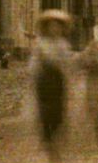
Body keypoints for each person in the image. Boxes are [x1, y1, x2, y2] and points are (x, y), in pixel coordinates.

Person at [30, 10, 75, 147]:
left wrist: (68, 72)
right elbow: (35, 61)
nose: (54, 29)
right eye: (51, 26)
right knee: (45, 106)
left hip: (58, 78)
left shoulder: (63, 44)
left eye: (57, 27)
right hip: (44, 78)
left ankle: (56, 127)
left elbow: (67, 61)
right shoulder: (41, 43)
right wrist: (34, 73)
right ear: (46, 28)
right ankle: (46, 132)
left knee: (58, 106)